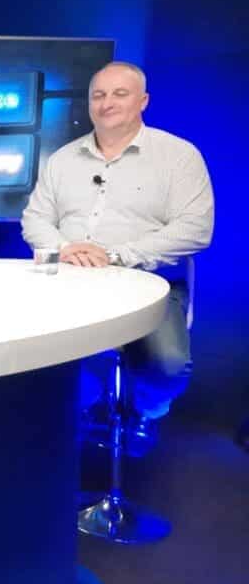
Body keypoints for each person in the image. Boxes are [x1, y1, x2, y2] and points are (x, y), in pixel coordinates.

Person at [21, 61, 214, 420]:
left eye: (119, 94)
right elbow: (35, 218)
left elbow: (195, 228)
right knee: (32, 355)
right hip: (68, 281)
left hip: (150, 283)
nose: (107, 103)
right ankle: (78, 409)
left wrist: (114, 255)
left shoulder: (179, 156)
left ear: (143, 101)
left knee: (168, 367)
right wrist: (65, 249)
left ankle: (147, 408)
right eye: (99, 95)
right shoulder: (63, 159)